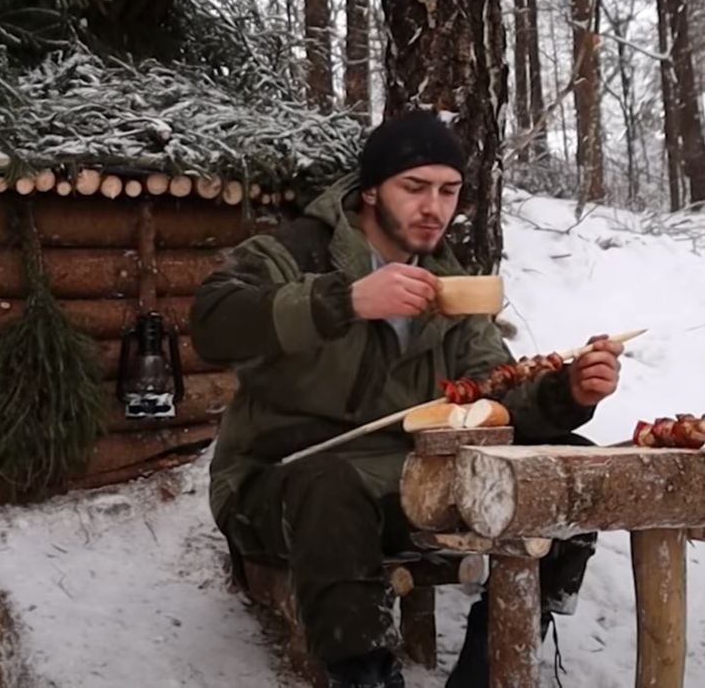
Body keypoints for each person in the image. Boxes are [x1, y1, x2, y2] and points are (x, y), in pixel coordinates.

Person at [189, 110, 624, 688]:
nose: (434, 207)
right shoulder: (297, 252)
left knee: (566, 465)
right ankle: (364, 675)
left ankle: (488, 668)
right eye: (414, 187)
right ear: (370, 189)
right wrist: (343, 301)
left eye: (449, 191)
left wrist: (565, 394)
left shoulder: (450, 283)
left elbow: (492, 396)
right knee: (330, 487)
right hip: (278, 481)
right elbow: (213, 323)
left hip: (412, 479)